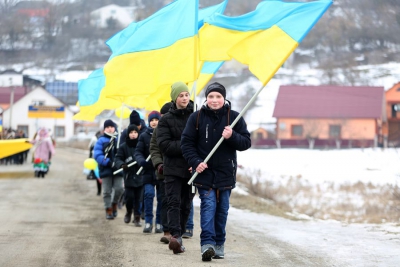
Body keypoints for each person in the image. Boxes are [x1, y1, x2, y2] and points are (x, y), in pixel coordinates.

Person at [181, 82, 251, 261]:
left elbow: (245, 143)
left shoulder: (234, 118)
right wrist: (196, 162)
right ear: (206, 98)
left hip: (226, 172)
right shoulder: (196, 118)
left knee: (222, 210)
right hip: (205, 172)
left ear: (224, 98)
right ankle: (207, 245)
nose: (214, 100)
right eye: (211, 96)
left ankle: (219, 244)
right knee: (208, 206)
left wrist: (232, 136)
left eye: (218, 96)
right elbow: (186, 143)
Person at [156, 81, 195, 254]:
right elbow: (164, 145)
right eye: (181, 95)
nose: (185, 98)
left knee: (186, 204)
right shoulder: (165, 120)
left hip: (191, 168)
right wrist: (187, 145)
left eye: (186, 94)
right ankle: (176, 236)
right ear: (175, 98)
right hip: (172, 169)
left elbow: (202, 142)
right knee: (173, 202)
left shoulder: (197, 116)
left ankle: (182, 231)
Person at [135, 111, 163, 234]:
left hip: (161, 171)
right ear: (149, 122)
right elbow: (138, 152)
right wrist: (142, 161)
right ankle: (148, 221)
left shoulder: (163, 134)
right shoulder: (144, 135)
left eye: (156, 120)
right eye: (152, 120)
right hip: (147, 171)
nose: (154, 122)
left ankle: (159, 223)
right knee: (148, 195)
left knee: (162, 198)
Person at [150, 102, 173, 243]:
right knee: (164, 201)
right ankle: (167, 231)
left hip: (179, 170)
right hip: (163, 171)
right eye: (163, 115)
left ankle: (179, 229)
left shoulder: (183, 125)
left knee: (178, 202)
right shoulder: (158, 129)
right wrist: (159, 164)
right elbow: (154, 148)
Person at [93, 119, 123, 220]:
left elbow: (123, 152)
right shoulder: (101, 140)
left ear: (115, 128)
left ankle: (114, 203)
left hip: (118, 169)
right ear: (104, 129)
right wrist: (108, 162)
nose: (110, 129)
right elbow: (97, 154)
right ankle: (108, 209)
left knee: (119, 189)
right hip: (106, 169)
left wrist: (119, 162)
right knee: (106, 191)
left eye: (111, 127)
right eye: (107, 127)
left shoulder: (118, 139)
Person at [115, 124, 143, 226]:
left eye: (135, 132)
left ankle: (137, 217)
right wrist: (122, 165)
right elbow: (118, 158)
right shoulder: (123, 146)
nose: (133, 134)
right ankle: (129, 212)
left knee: (139, 198)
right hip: (129, 176)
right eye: (131, 132)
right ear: (128, 134)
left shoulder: (141, 145)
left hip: (140, 175)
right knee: (129, 197)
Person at [88, 131, 102, 195]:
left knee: (98, 175)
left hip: (98, 160)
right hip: (97, 160)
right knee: (98, 175)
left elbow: (90, 147)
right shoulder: (96, 140)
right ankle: (99, 191)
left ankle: (99, 191)